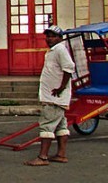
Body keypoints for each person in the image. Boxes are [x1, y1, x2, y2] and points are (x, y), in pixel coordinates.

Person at [25, 25, 76, 166]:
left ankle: (43, 157)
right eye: (48, 36)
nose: (49, 39)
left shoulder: (60, 50)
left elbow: (69, 68)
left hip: (54, 97)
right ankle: (61, 154)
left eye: (53, 36)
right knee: (61, 125)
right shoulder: (53, 51)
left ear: (60, 38)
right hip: (54, 95)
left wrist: (61, 87)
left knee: (46, 125)